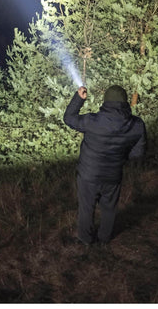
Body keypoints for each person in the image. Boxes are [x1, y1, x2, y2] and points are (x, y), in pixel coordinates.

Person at [63, 84, 147, 245]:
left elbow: (69, 118)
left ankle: (85, 240)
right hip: (113, 175)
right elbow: (138, 153)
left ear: (106, 101)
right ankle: (104, 240)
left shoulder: (92, 121)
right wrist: (120, 158)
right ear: (125, 102)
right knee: (109, 209)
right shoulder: (137, 125)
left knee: (87, 209)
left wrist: (78, 99)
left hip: (88, 175)